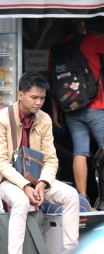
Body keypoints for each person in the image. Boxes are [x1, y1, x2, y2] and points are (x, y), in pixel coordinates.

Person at [0, 72, 79, 254]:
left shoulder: (44, 119)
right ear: (20, 95)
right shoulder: (1, 119)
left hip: (36, 179)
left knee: (71, 195)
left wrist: (42, 184)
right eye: (34, 97)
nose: (38, 102)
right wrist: (25, 186)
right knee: (22, 201)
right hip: (4, 180)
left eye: (42, 98)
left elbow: (51, 159)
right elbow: (0, 162)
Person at [50, 19, 104, 201]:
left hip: (71, 109)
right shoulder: (90, 40)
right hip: (95, 105)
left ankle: (82, 198)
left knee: (80, 152)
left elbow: (53, 84)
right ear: (81, 24)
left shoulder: (56, 49)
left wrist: (56, 111)